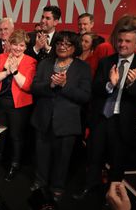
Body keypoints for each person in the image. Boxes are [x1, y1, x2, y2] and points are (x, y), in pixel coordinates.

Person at [76, 25, 136, 199]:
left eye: (127, 41)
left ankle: (112, 198)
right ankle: (89, 187)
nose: (122, 44)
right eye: (120, 40)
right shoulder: (106, 62)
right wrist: (110, 84)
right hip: (102, 119)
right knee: (94, 156)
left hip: (123, 122)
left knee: (117, 162)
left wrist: (131, 85)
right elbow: (95, 88)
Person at [30, 31, 91, 200]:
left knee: (62, 158)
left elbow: (85, 96)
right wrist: (50, 85)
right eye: (59, 43)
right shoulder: (45, 63)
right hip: (43, 118)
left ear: (75, 47)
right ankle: (40, 182)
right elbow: (34, 87)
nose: (62, 47)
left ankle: (57, 186)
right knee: (41, 154)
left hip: (67, 122)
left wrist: (64, 85)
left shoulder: (82, 68)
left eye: (67, 44)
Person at [0, 29, 37, 182]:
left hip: (19, 105)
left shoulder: (30, 61)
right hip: (1, 102)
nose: (17, 48)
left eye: (21, 45)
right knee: (0, 132)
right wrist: (6, 71)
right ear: (9, 44)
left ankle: (15, 164)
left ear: (25, 47)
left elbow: (27, 86)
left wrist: (15, 71)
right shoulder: (0, 57)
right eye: (15, 44)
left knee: (16, 136)